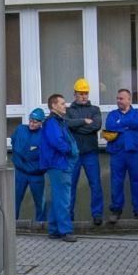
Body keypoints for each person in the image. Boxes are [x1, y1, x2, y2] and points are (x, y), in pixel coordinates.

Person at [103, 88, 138, 224]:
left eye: (121, 98)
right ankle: (116, 211)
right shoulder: (112, 114)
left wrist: (120, 125)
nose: (118, 101)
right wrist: (126, 125)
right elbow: (110, 126)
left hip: (134, 152)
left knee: (137, 182)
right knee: (116, 182)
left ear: (129, 99)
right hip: (117, 153)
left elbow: (137, 123)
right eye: (117, 98)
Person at [40, 93, 79, 241]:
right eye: (62, 103)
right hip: (59, 164)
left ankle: (54, 229)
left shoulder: (58, 121)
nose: (65, 106)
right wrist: (70, 150)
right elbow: (57, 141)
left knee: (59, 197)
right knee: (64, 198)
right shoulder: (52, 122)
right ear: (54, 106)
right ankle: (65, 231)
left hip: (60, 163)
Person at [65, 79, 105, 226]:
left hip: (90, 153)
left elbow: (96, 126)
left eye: (86, 94)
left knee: (95, 184)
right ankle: (69, 216)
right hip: (74, 154)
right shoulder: (69, 110)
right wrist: (83, 121)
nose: (84, 96)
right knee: (71, 185)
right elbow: (66, 124)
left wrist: (77, 126)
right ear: (75, 94)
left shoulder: (95, 110)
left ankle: (97, 214)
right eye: (81, 94)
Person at [10, 107, 47, 223]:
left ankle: (40, 224)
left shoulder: (44, 135)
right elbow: (13, 142)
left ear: (41, 123)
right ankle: (11, 224)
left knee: (40, 201)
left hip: (36, 174)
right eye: (30, 120)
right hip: (20, 172)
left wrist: (39, 168)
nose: (32, 123)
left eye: (35, 122)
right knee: (15, 199)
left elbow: (45, 155)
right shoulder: (20, 129)